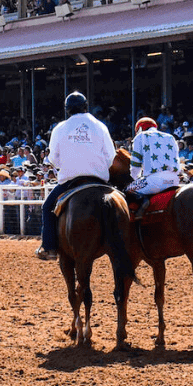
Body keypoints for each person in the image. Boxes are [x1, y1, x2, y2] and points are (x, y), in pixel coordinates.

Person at [35, 92, 117, 261]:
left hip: (70, 182)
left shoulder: (60, 128)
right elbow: (111, 156)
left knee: (47, 207)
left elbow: (53, 159)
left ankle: (49, 248)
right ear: (86, 107)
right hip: (99, 181)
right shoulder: (100, 126)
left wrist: (67, 165)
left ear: (67, 110)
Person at [125, 117, 181, 218]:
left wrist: (135, 179)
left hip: (155, 181)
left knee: (127, 190)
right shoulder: (170, 137)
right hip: (174, 180)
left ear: (140, 129)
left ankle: (143, 202)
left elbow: (135, 165)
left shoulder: (140, 136)